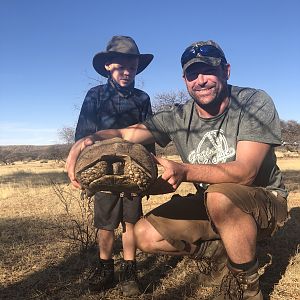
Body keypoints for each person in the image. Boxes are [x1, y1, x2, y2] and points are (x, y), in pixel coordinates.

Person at [67, 40, 289, 299]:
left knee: (220, 196)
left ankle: (246, 288)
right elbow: (130, 133)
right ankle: (226, 253)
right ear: (185, 80)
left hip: (263, 199)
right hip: (212, 201)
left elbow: (245, 173)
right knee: (142, 234)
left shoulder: (253, 102)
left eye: (208, 71)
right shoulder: (178, 116)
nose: (201, 80)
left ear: (226, 71)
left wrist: (183, 171)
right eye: (193, 74)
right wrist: (92, 139)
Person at [74, 35, 155, 296]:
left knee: (132, 223)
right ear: (108, 65)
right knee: (105, 223)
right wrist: (80, 168)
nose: (127, 72)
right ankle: (106, 269)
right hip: (102, 170)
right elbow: (83, 137)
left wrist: (149, 174)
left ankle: (130, 272)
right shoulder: (95, 96)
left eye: (131, 67)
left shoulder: (143, 98)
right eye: (121, 66)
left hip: (133, 170)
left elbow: (149, 135)